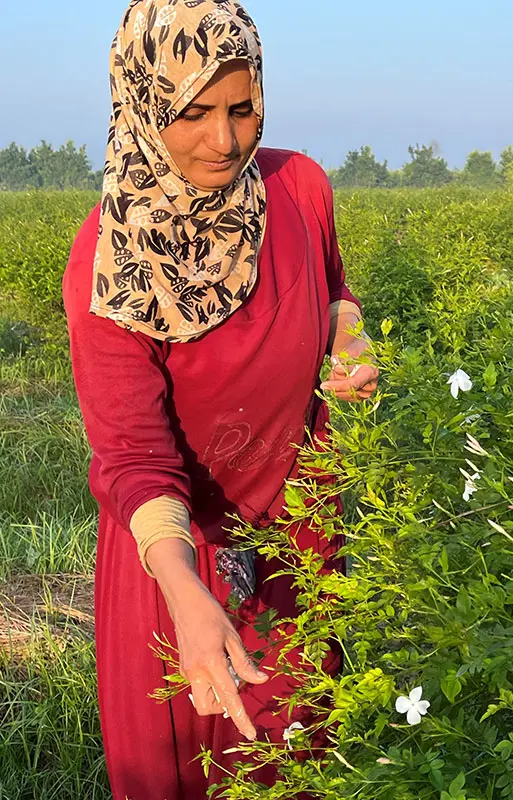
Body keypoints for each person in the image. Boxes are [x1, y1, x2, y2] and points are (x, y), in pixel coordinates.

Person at [61, 1, 378, 797]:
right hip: (176, 560)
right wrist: (188, 596)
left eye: (243, 108)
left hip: (297, 544)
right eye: (193, 113)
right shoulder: (108, 264)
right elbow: (134, 458)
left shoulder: (299, 189)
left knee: (298, 760)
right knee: (187, 767)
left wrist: (351, 345)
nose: (226, 140)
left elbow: (336, 295)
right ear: (142, 105)